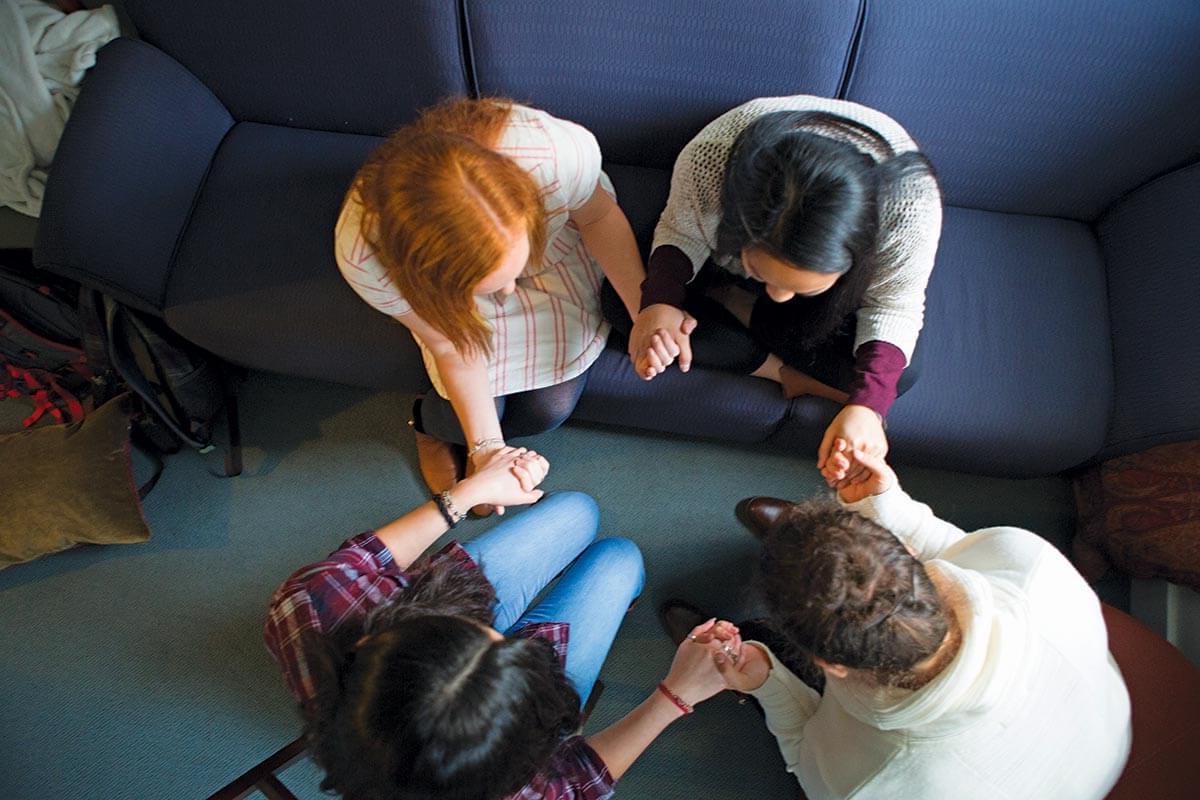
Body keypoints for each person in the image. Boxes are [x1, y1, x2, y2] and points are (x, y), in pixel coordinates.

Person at [665, 445, 1132, 799]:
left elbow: (803, 750)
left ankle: (767, 647)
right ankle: (828, 563)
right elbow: (953, 548)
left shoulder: (872, 778)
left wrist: (766, 681)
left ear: (831, 665)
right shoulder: (1029, 564)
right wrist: (887, 503)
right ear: (906, 551)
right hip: (1098, 726)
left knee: (778, 684)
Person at [264, 448, 731, 800]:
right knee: (620, 558)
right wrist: (675, 695)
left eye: (468, 631)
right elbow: (579, 782)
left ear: (376, 639)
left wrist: (467, 493)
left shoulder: (311, 605)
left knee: (578, 511)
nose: (500, 629)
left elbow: (363, 560)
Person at [604, 96, 942, 478]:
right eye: (764, 275)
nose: (777, 295)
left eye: (798, 287)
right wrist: (658, 304)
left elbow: (892, 306)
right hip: (722, 260)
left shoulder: (910, 205)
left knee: (901, 372)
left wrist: (868, 407)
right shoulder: (712, 157)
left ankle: (745, 309)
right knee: (623, 303)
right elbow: (682, 230)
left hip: (831, 297)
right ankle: (781, 370)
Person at [336, 97, 646, 509]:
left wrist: (643, 310)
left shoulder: (552, 154)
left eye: (509, 277)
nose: (509, 294)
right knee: (466, 410)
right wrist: (485, 449)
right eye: (494, 287)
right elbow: (450, 343)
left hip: (558, 248)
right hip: (448, 310)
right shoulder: (363, 257)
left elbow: (597, 217)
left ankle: (469, 436)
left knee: (549, 407)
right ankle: (431, 428)